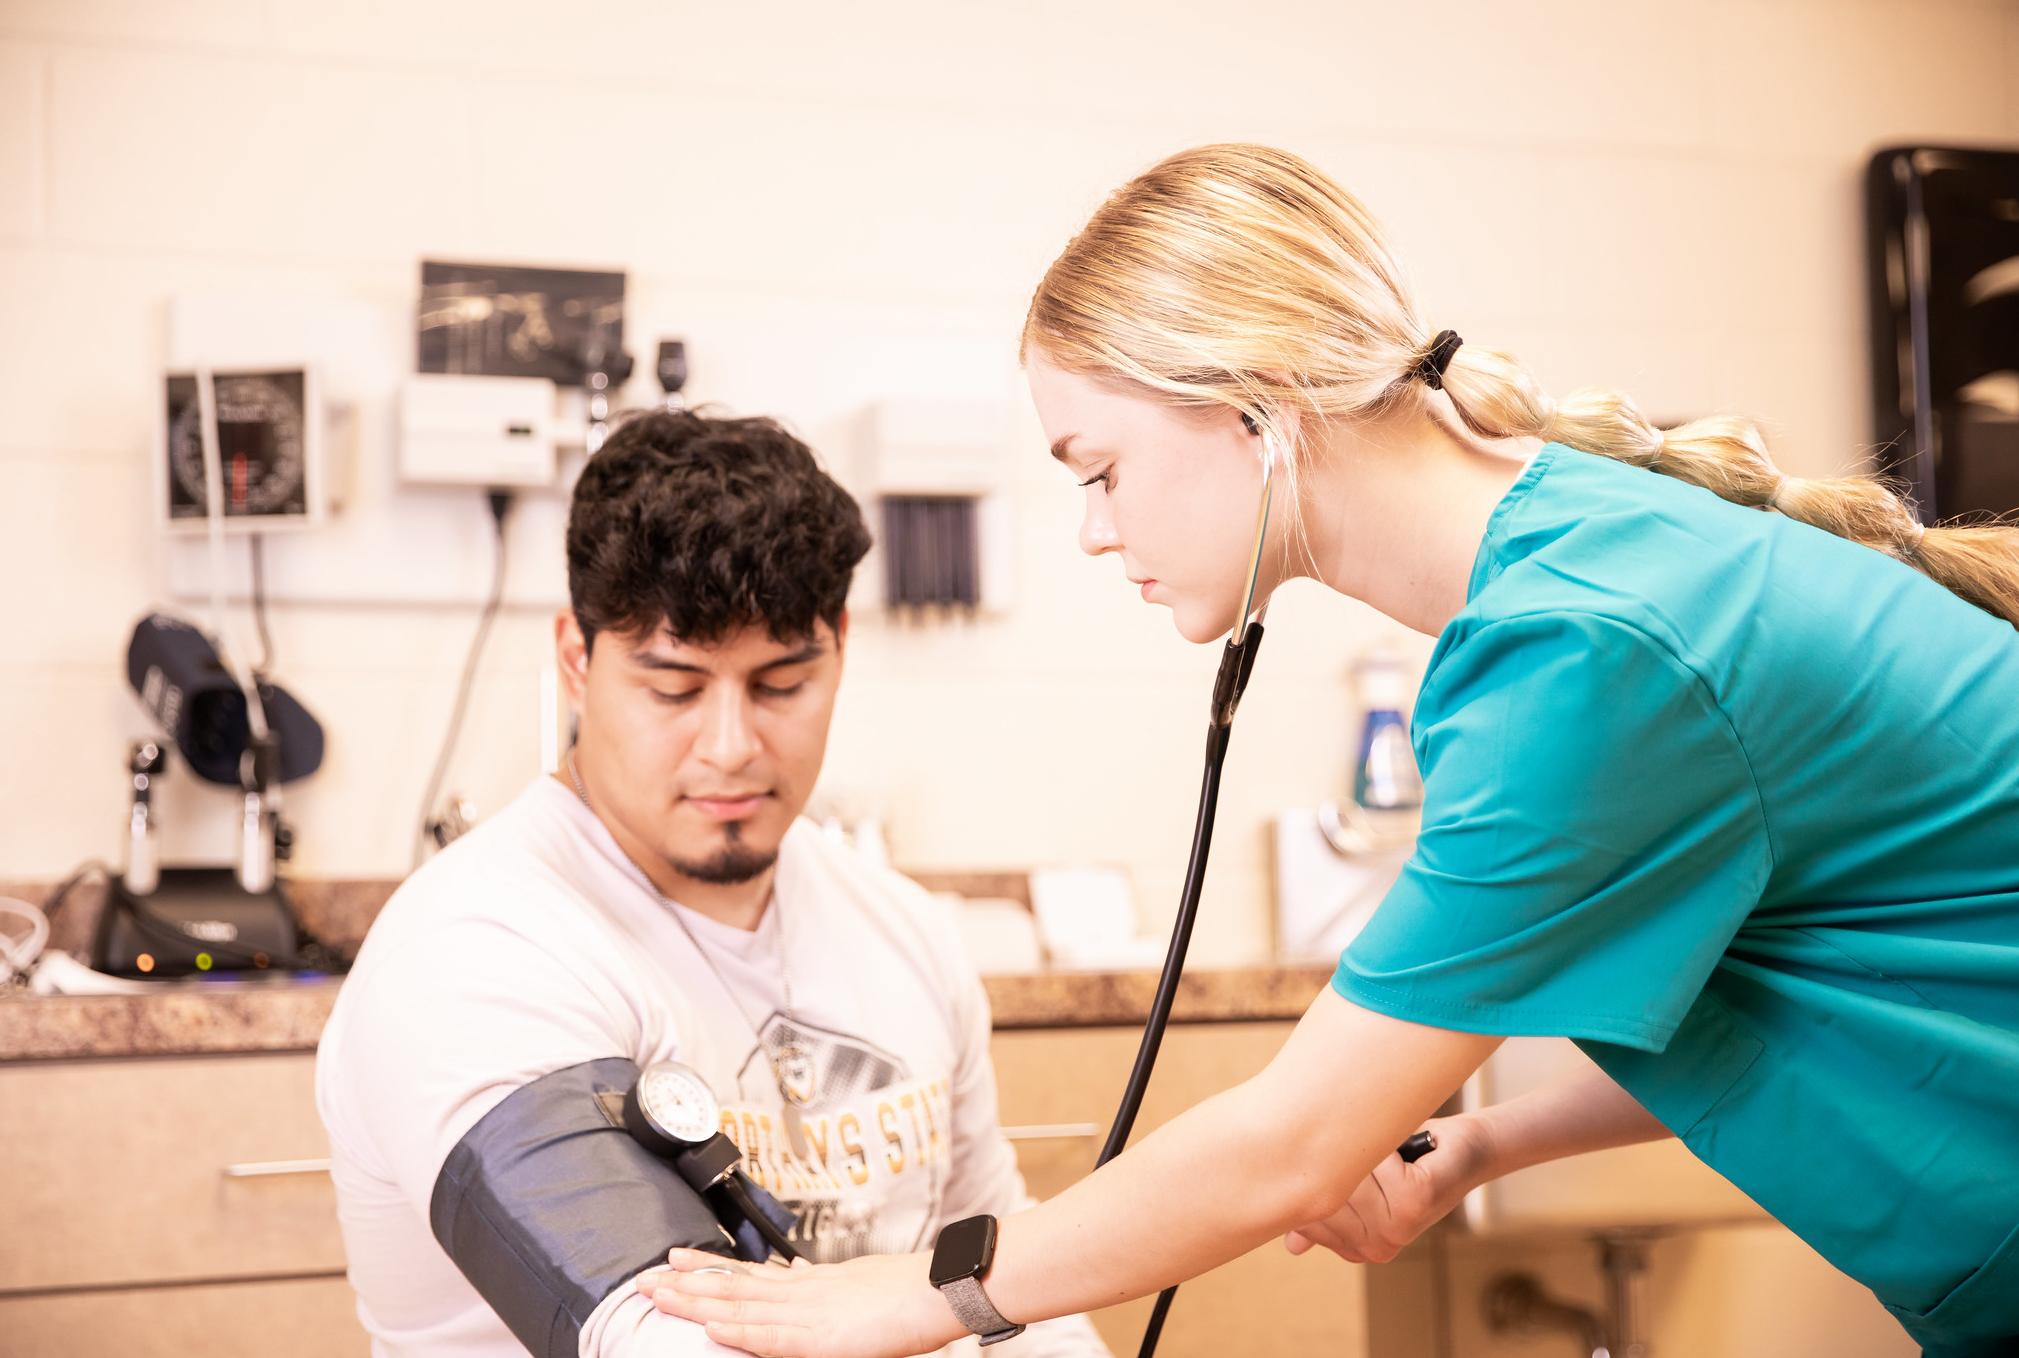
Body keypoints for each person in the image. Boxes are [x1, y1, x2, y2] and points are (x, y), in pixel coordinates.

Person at [646, 144, 2019, 1358]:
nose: (1092, 527)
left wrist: (909, 1296)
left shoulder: (1583, 655)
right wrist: (1473, 1141)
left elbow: (1286, 1144)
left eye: (1096, 469)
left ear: (1248, 409)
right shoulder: (1578, 557)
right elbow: (1760, 995)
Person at [315, 409, 1109, 1358]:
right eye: (674, 689)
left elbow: (1002, 1296)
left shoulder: (902, 928)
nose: (731, 748)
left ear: (840, 647)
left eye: (779, 685)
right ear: (577, 659)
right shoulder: (472, 956)